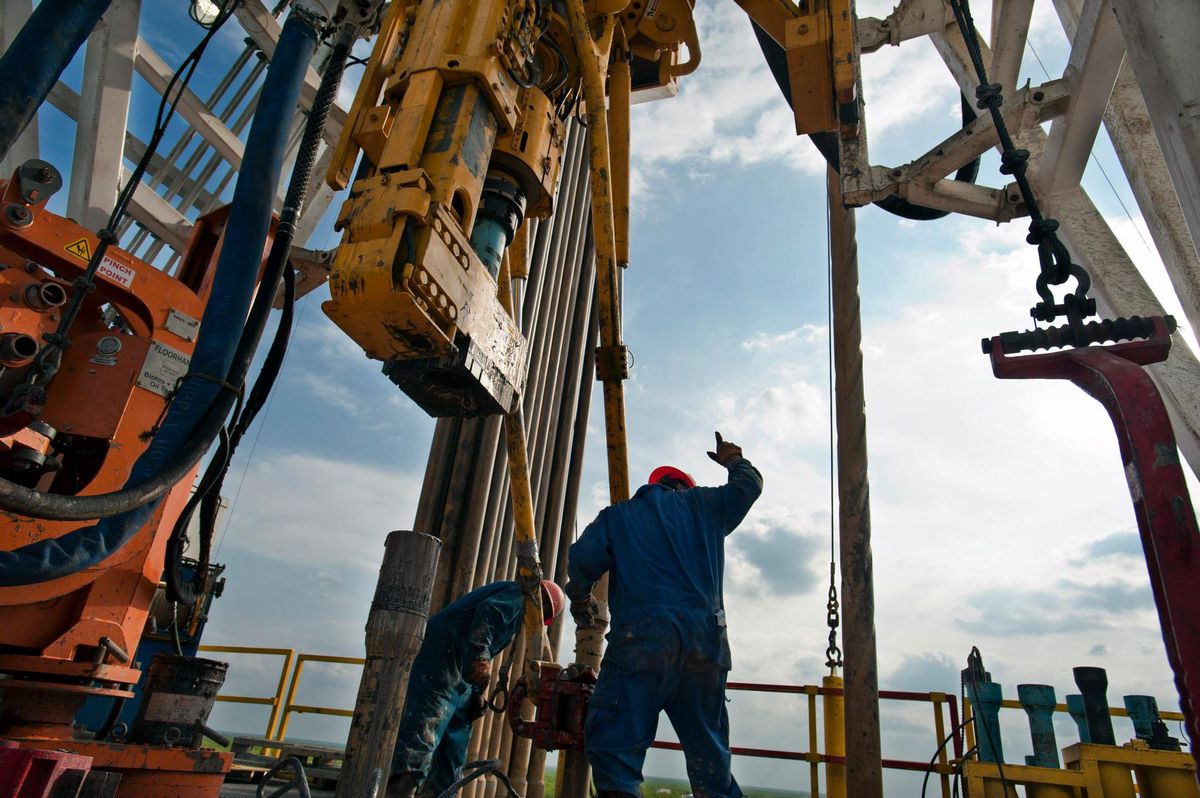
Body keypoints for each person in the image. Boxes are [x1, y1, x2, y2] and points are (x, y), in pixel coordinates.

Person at [566, 432, 763, 798]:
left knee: (615, 749)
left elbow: (580, 561)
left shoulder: (619, 516)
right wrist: (733, 458)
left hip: (641, 642)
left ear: (652, 486)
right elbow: (748, 486)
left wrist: (581, 600)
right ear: (685, 488)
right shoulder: (706, 505)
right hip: (707, 645)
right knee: (710, 759)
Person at [387, 579, 567, 798]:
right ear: (541, 604)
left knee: (454, 748)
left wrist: (477, 695)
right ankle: (401, 791)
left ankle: (440, 792)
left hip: (459, 676)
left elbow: (479, 655)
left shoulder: (516, 620)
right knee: (423, 734)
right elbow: (487, 611)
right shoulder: (521, 595)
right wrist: (481, 656)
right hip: (442, 658)